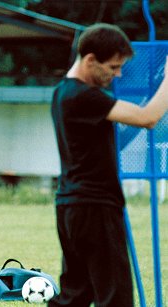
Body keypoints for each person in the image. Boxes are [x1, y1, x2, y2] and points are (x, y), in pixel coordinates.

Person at [50, 23, 168, 307]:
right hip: (95, 207)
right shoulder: (83, 96)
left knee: (75, 295)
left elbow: (128, 130)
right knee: (115, 297)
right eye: (113, 67)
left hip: (72, 207)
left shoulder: (62, 92)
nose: (118, 74)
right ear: (90, 60)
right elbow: (148, 118)